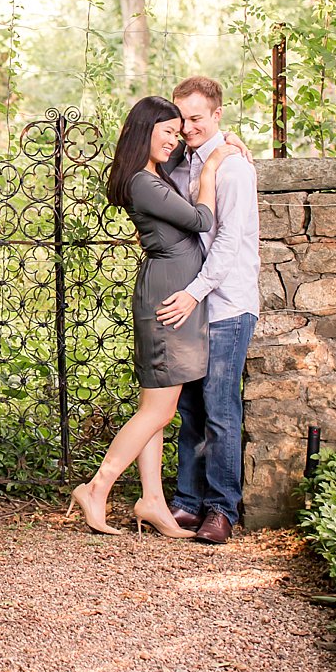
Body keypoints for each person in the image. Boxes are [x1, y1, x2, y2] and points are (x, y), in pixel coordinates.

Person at [66, 95, 235, 537]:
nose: (176, 140)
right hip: (167, 299)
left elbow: (178, 148)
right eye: (167, 131)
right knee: (158, 412)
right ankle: (97, 488)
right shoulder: (144, 183)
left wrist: (211, 139)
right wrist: (213, 167)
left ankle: (154, 501)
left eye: (179, 132)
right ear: (147, 132)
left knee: (157, 407)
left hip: (168, 292)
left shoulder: (151, 173)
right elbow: (201, 218)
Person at [158, 75, 260, 545]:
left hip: (225, 304)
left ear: (218, 115)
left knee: (220, 409)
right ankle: (186, 501)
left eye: (198, 118)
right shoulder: (183, 163)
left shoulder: (233, 167)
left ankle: (222, 509)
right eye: (183, 120)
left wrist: (194, 293)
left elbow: (227, 242)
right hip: (192, 303)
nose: (189, 127)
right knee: (191, 408)